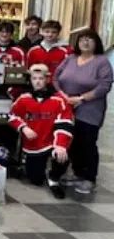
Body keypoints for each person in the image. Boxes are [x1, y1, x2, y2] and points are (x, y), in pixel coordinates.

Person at [54, 29, 113, 194]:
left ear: (96, 43)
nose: (85, 42)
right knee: (71, 141)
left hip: (90, 109)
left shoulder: (102, 62)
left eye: (89, 39)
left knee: (87, 143)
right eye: (82, 39)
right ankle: (76, 172)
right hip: (67, 107)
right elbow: (56, 77)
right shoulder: (70, 59)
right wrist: (62, 94)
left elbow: (104, 85)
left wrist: (81, 98)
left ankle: (89, 178)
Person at [9, 64, 74, 199]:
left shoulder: (59, 100)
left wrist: (60, 145)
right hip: (33, 145)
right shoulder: (24, 98)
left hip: (51, 143)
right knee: (35, 180)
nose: (37, 81)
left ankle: (54, 179)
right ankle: (39, 170)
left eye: (41, 78)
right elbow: (12, 115)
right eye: (34, 78)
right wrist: (23, 127)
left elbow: (65, 123)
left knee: (62, 155)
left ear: (47, 80)